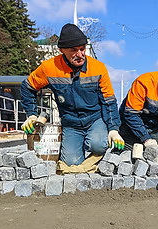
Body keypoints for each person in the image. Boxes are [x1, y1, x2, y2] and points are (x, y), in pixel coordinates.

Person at [20, 23, 124, 172]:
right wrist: (31, 114)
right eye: (73, 50)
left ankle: (94, 143)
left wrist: (113, 129)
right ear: (61, 50)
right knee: (70, 163)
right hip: (71, 122)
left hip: (95, 118)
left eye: (82, 49)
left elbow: (109, 101)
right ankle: (79, 151)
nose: (80, 54)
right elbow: (27, 87)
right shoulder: (49, 68)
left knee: (98, 144)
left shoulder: (98, 68)